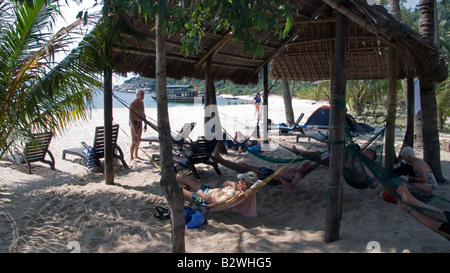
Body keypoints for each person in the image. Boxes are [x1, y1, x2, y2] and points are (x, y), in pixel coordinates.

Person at [212, 152, 313, 190]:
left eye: (307, 166)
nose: (305, 164)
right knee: (244, 165)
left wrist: (280, 178)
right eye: (305, 163)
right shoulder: (294, 167)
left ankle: (221, 160)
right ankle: (222, 160)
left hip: (271, 178)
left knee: (245, 167)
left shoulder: (298, 174)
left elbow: (291, 187)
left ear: (306, 170)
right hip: (271, 172)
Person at [176, 171, 258, 206]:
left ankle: (166, 178)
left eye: (241, 179)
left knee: (178, 191)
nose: (239, 180)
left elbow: (214, 202)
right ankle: (168, 174)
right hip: (210, 191)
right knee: (190, 179)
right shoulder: (237, 187)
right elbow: (224, 183)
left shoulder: (233, 194)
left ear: (244, 185)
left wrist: (201, 194)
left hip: (205, 198)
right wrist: (231, 183)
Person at [129, 89, 147, 161]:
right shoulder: (133, 104)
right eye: (141, 95)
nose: (143, 96)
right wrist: (135, 127)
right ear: (137, 95)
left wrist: (145, 123)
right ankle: (131, 157)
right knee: (134, 140)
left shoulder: (142, 103)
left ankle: (136, 154)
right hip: (134, 122)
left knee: (138, 140)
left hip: (140, 122)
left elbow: (143, 113)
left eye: (143, 95)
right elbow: (130, 117)